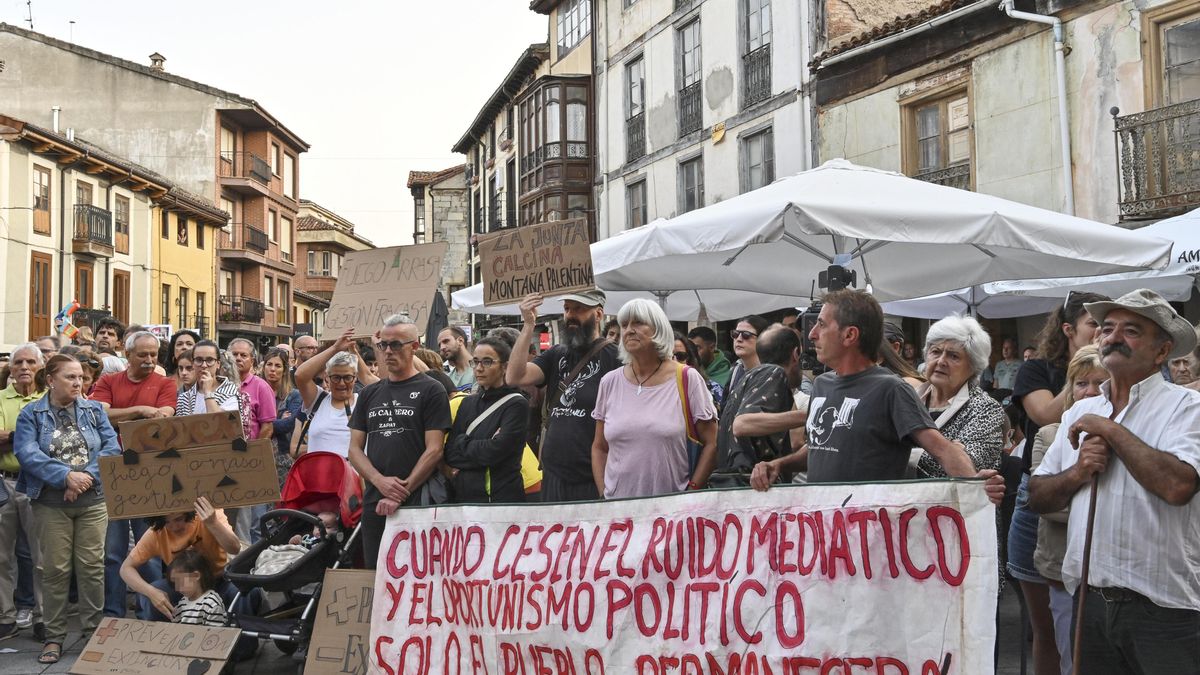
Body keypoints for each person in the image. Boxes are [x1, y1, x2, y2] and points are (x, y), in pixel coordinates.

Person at [1029, 289, 1200, 673]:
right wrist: (1077, 472)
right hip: (1089, 601)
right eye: (1107, 328)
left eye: (1131, 330)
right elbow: (1037, 497)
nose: (1113, 337)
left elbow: (1178, 487)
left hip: (1165, 607)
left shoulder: (1189, 408)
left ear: (1162, 351)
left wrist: (1110, 430)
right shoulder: (1081, 411)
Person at [750, 290, 984, 488]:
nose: (812, 335)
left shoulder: (891, 389)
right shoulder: (821, 385)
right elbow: (822, 448)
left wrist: (976, 487)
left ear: (850, 335)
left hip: (870, 525)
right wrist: (780, 464)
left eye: (821, 325)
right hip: (826, 523)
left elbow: (942, 450)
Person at [1008, 291, 1107, 673]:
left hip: (1092, 498)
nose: (1104, 331)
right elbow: (1046, 413)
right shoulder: (1037, 369)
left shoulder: (1117, 369)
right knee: (1047, 627)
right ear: (1068, 329)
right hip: (1041, 493)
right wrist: (1081, 372)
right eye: (1095, 323)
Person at [14, 354, 120, 664]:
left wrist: (84, 478)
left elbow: (112, 447)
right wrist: (65, 477)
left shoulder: (94, 410)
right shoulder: (31, 414)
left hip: (92, 501)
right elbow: (27, 453)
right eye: (70, 377)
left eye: (81, 378)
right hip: (50, 504)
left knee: (91, 567)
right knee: (55, 570)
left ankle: (92, 633)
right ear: (50, 380)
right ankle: (54, 636)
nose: (78, 383)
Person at [1028, 345, 1107, 675]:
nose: (1089, 391)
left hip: (1110, 576)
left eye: (1099, 383)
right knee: (1068, 654)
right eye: (1081, 383)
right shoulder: (1050, 434)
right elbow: (1042, 502)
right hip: (1061, 564)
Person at [347, 316, 451, 567]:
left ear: (414, 346)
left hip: (417, 499)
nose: (388, 351)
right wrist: (378, 481)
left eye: (396, 345)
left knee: (417, 573)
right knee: (377, 572)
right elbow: (354, 449)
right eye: (383, 345)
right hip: (375, 499)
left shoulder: (431, 389)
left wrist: (401, 492)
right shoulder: (370, 393)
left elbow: (434, 449)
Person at [591, 299, 717, 499]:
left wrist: (691, 492)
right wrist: (603, 494)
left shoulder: (687, 378)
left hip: (671, 511)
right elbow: (600, 447)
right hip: (618, 510)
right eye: (624, 325)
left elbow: (711, 443)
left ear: (659, 329)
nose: (629, 330)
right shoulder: (609, 382)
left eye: (638, 323)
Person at [91, 331, 177, 621]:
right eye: (143, 354)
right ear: (127, 355)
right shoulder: (108, 381)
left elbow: (163, 416)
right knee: (113, 552)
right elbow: (100, 414)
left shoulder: (165, 384)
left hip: (149, 474)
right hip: (114, 472)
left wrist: (123, 417)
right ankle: (113, 613)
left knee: (148, 549)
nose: (150, 360)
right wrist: (140, 410)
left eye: (153, 354)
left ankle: (149, 612)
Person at [507, 291, 621, 502]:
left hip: (592, 479)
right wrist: (528, 325)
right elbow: (515, 376)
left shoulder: (615, 358)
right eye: (567, 309)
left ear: (598, 314)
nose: (570, 315)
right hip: (553, 476)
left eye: (579, 309)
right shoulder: (557, 354)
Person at [120, 497, 242, 622]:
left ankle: (241, 632)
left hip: (219, 580)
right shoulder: (157, 532)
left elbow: (234, 548)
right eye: (167, 522)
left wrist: (213, 523)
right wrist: (151, 592)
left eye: (178, 519)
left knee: (242, 593)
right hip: (184, 586)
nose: (174, 527)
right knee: (153, 597)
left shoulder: (207, 516)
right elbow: (125, 568)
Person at [913, 315, 1006, 478]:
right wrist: (951, 450)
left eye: (953, 356)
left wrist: (902, 451)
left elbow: (965, 470)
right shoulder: (908, 399)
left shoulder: (986, 409)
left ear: (973, 366)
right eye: (936, 352)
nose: (941, 361)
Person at [444, 336, 529, 503]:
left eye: (487, 362)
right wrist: (480, 447)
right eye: (475, 362)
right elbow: (450, 454)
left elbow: (495, 452)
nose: (479, 368)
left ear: (505, 367)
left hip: (500, 499)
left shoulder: (516, 404)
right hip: (464, 498)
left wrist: (462, 442)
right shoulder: (467, 403)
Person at [0, 344, 44, 641]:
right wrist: (27, 437)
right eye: (18, 362)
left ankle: (43, 616)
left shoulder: (49, 398)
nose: (24, 367)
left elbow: (50, 444)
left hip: (39, 482)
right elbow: (37, 441)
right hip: (4, 482)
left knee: (42, 556)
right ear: (11, 368)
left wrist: (10, 437)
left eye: (30, 361)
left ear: (40, 367)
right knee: (1, 556)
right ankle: (5, 616)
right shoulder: (0, 398)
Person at [722, 326, 805, 480]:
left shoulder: (749, 379)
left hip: (736, 484)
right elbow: (742, 424)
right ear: (796, 354)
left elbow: (795, 442)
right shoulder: (774, 372)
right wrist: (811, 414)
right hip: (752, 484)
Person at [294, 331, 373, 459]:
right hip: (318, 471)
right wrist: (335, 348)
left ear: (355, 377)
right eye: (336, 377)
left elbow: (380, 385)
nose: (341, 383)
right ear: (327, 377)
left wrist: (355, 353)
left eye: (347, 377)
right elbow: (300, 375)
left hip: (353, 471)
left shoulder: (365, 403)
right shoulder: (317, 400)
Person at [263, 347, 302, 484]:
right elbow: (248, 423)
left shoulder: (294, 395)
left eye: (277, 366)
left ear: (285, 370)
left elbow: (289, 424)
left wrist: (262, 423)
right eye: (269, 364)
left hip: (283, 458)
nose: (272, 369)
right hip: (258, 456)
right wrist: (278, 419)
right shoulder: (256, 392)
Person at [176, 342, 243, 416]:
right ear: (193, 364)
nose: (204, 365)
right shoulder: (184, 398)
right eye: (199, 360)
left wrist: (208, 392)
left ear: (218, 364)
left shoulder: (230, 391)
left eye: (209, 360)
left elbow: (220, 421)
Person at [228, 339, 275, 441]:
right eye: (234, 354)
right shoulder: (218, 384)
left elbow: (267, 428)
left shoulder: (261, 387)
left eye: (243, 355)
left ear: (252, 361)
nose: (238, 358)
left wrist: (254, 449)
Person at [168, 549, 227, 627]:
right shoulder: (183, 602)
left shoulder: (211, 603)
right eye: (175, 583)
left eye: (180, 581)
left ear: (196, 575)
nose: (177, 587)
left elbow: (216, 633)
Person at [674, 332, 722, 407]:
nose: (674, 361)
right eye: (668, 357)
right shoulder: (656, 388)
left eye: (681, 356)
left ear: (690, 361)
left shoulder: (714, 390)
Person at [728, 316, 768, 393]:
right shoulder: (735, 370)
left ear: (762, 339)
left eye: (746, 335)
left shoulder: (771, 373)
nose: (739, 339)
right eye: (735, 334)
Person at [437, 327, 475, 393]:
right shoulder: (447, 378)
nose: (442, 347)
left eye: (446, 341)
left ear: (460, 341)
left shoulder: (480, 369)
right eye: (439, 345)